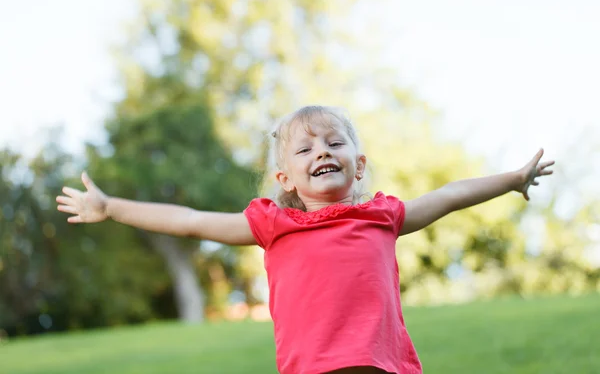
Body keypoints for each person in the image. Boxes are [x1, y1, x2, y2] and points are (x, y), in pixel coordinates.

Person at [56, 105, 554, 374]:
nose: (323, 151)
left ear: (358, 165)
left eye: (336, 143)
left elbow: (450, 194)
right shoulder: (273, 226)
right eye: (306, 147)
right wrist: (111, 207)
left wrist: (510, 179)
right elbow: (188, 219)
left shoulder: (382, 215)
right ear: (285, 178)